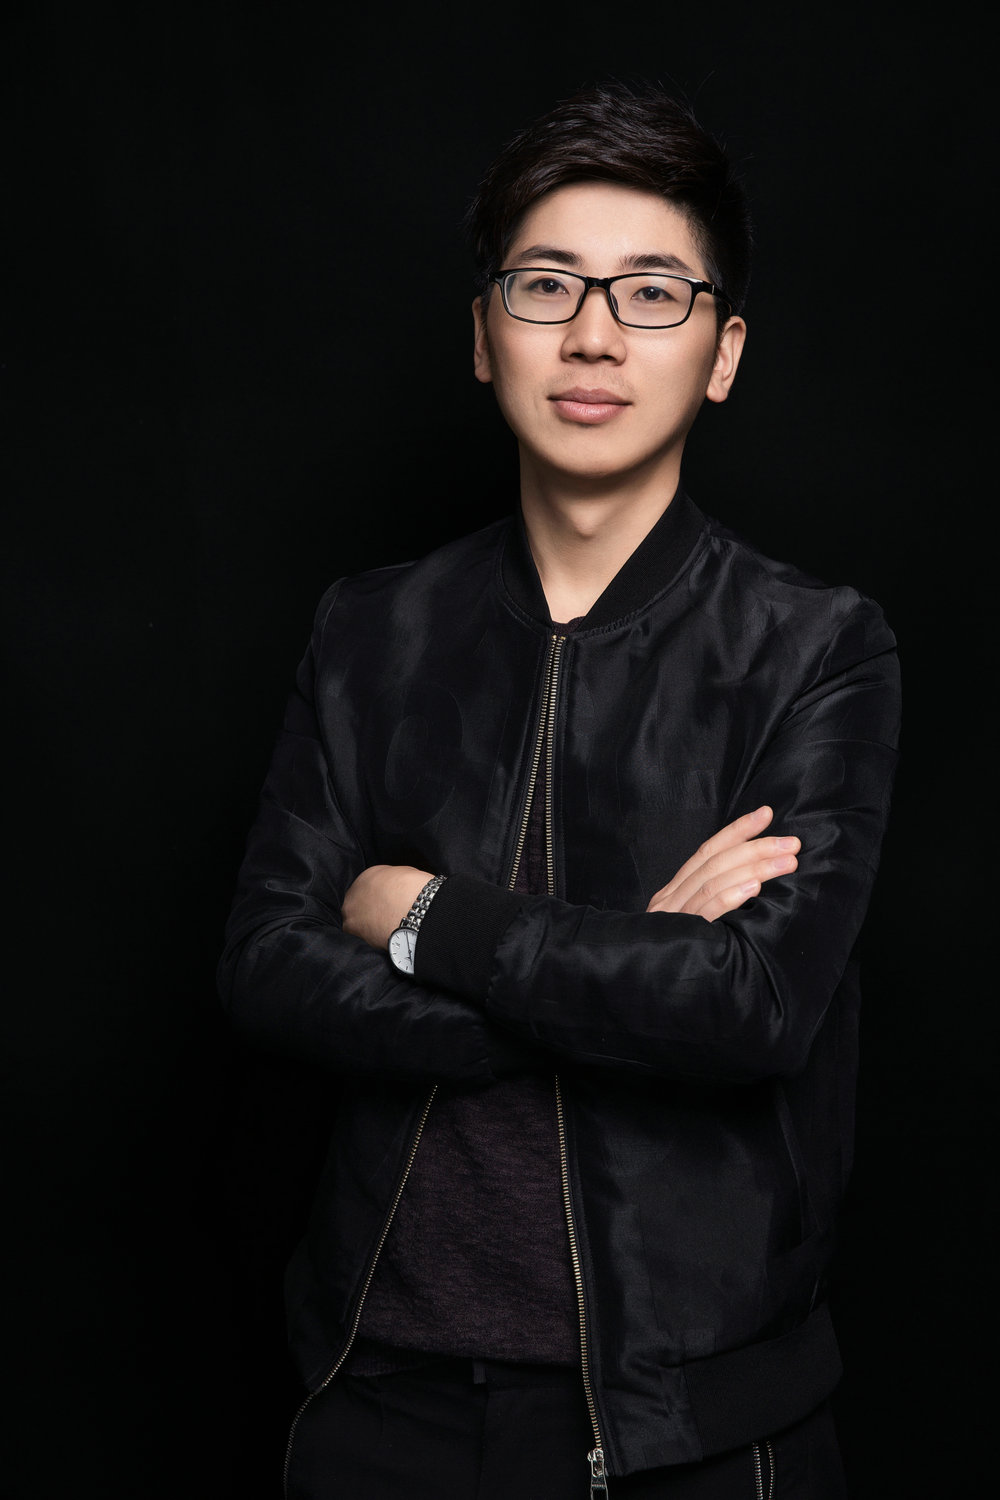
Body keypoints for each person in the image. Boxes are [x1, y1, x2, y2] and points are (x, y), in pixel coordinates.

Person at [219, 82, 900, 1499]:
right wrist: (624, 975)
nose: (594, 334)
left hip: (689, 1431)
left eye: (652, 292)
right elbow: (267, 967)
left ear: (723, 352)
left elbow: (751, 1009)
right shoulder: (370, 629)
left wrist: (421, 919)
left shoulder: (816, 647)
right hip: (377, 1397)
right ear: (484, 335)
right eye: (547, 286)